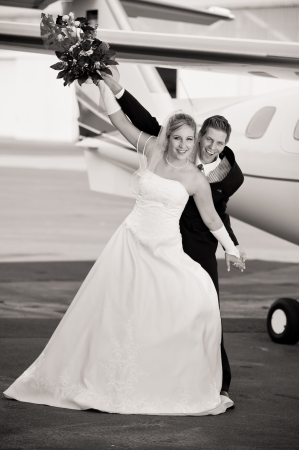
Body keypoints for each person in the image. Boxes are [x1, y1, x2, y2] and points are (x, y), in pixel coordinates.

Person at [3, 81, 244, 416]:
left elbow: (213, 218)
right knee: (114, 313)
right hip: (130, 242)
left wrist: (231, 248)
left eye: (189, 140)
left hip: (165, 250)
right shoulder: (152, 150)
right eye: (179, 138)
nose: (184, 145)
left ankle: (168, 378)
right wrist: (103, 86)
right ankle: (99, 376)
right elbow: (121, 122)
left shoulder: (196, 179)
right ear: (169, 137)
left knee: (191, 304)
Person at [99, 73, 246, 399]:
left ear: (225, 145)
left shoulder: (230, 175)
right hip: (162, 238)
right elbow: (142, 122)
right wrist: (114, 88)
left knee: (208, 310)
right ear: (198, 137)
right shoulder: (174, 149)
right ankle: (154, 371)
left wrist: (230, 247)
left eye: (219, 143)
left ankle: (217, 379)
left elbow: (217, 214)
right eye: (206, 139)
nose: (211, 147)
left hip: (200, 244)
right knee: (156, 309)